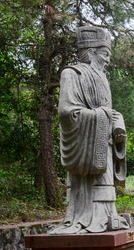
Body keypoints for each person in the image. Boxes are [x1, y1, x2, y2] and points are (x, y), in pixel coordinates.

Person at [51, 26, 129, 234]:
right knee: (87, 188)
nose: (108, 60)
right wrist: (101, 116)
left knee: (105, 186)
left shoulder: (103, 78)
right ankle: (84, 219)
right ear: (91, 53)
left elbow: (106, 111)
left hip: (104, 145)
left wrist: (115, 123)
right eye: (105, 54)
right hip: (86, 143)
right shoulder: (71, 74)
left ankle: (107, 215)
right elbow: (66, 113)